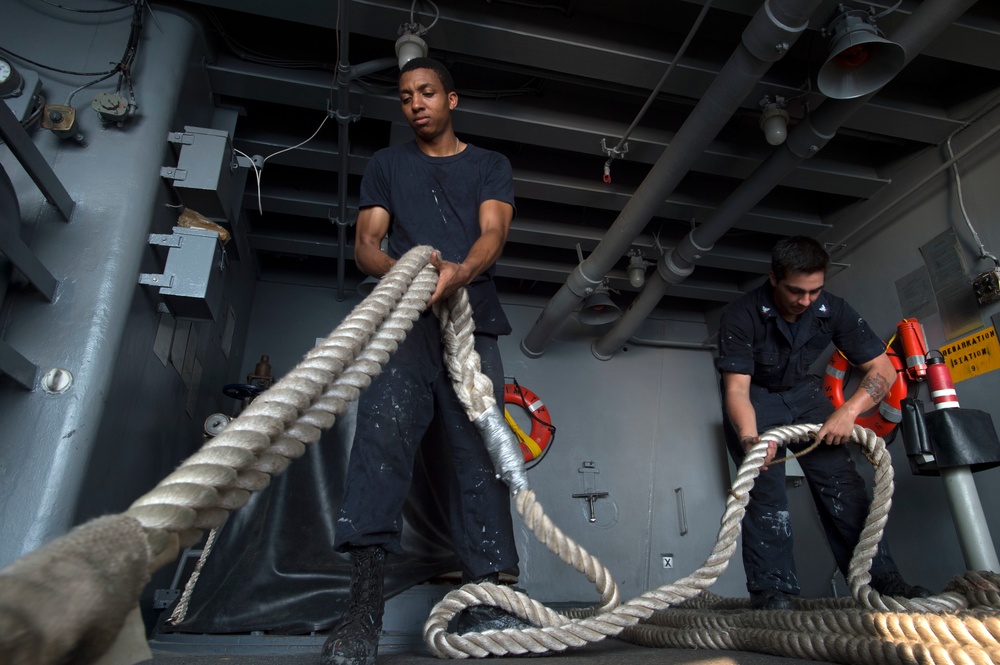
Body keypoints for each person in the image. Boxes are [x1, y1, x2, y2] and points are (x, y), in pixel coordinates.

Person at [320, 58, 524, 665]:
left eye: (428, 92)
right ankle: (363, 609)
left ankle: (491, 600)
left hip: (474, 322)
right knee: (380, 443)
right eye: (406, 95)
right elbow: (366, 244)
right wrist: (410, 276)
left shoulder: (489, 165)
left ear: (451, 99)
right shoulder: (387, 165)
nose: (416, 104)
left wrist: (459, 272)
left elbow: (494, 232)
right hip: (403, 324)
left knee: (481, 454)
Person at [716, 235, 930, 610]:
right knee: (765, 494)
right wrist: (751, 439)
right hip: (758, 398)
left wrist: (848, 411)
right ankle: (774, 592)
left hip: (805, 395)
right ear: (773, 278)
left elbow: (882, 369)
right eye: (796, 291)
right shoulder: (741, 315)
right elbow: (736, 390)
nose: (805, 301)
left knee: (844, 488)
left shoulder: (834, 309)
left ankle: (880, 581)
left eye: (814, 291)